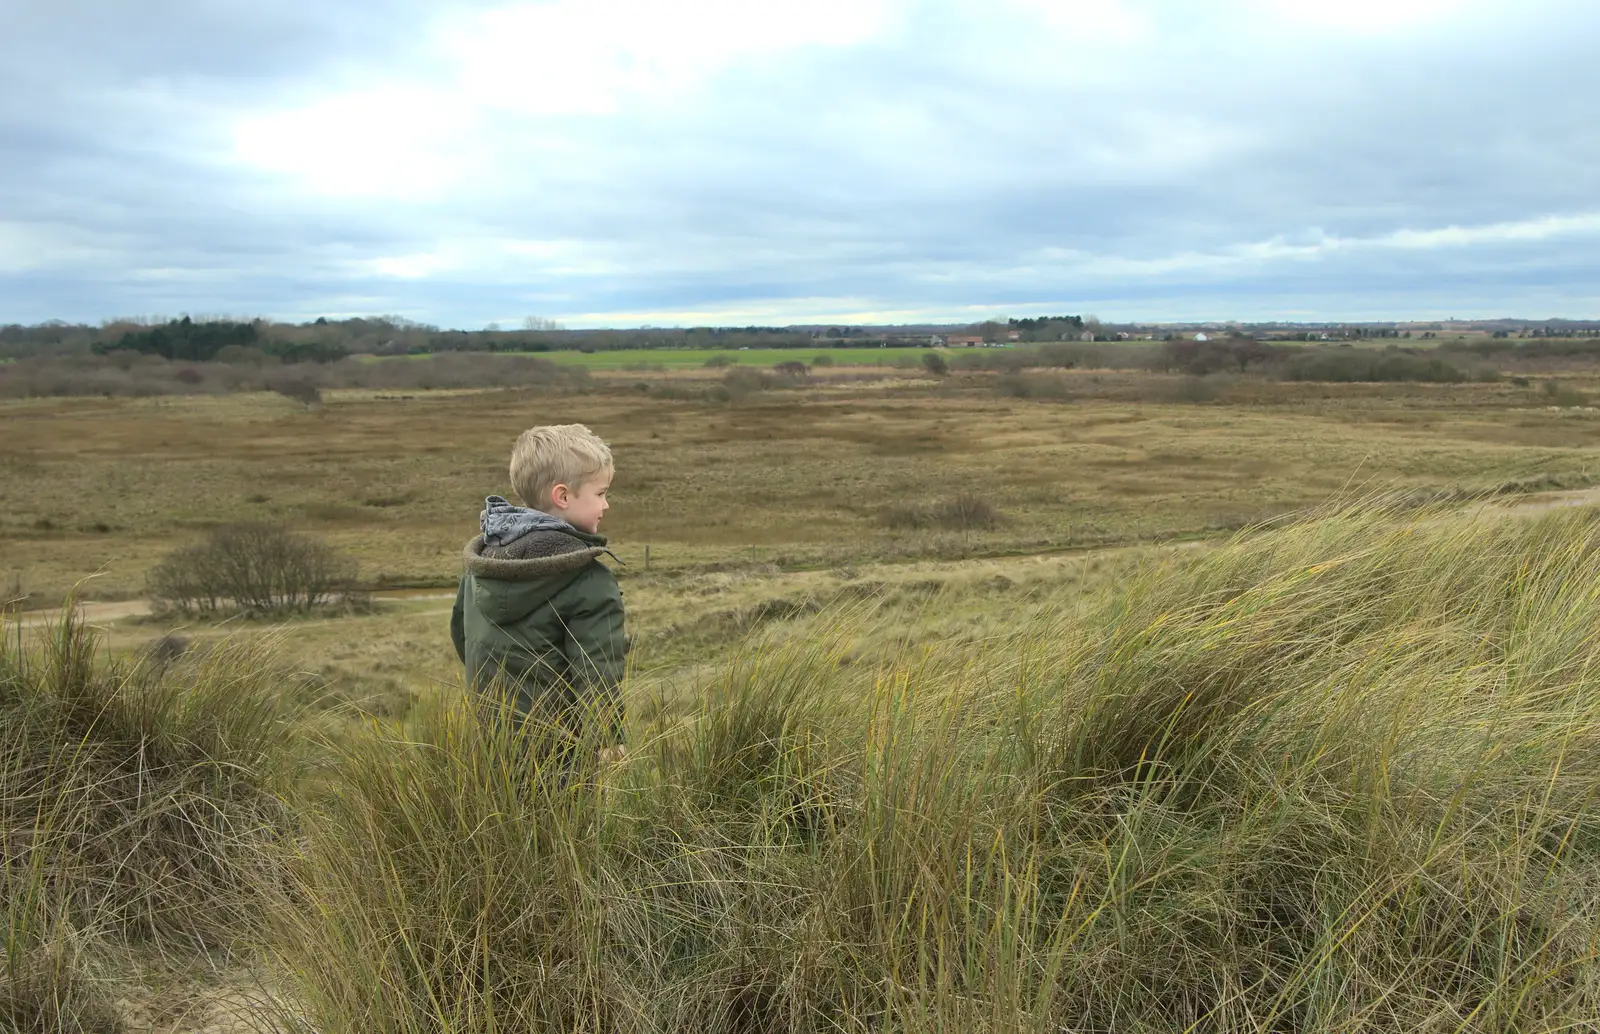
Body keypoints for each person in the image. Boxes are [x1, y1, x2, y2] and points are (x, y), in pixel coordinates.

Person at [450, 424, 627, 766]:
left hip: (490, 745)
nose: (606, 504)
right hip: (564, 756)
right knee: (570, 822)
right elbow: (598, 669)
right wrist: (608, 740)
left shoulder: (486, 562)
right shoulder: (586, 578)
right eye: (601, 493)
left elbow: (463, 636)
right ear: (563, 496)